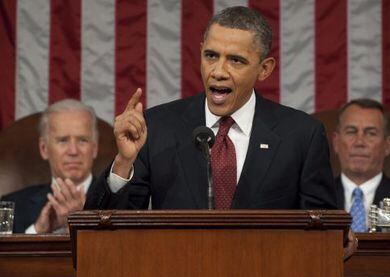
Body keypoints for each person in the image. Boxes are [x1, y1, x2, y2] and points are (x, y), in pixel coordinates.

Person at [85, 6, 337, 211]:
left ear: (264, 69)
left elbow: (320, 232)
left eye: (236, 60)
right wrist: (123, 162)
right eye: (211, 56)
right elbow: (110, 228)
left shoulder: (302, 135)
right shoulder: (157, 127)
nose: (218, 71)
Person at [2, 99, 98, 233]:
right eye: (63, 141)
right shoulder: (12, 206)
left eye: (82, 140)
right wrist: (37, 231)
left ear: (94, 148)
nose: (73, 151)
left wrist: (82, 223)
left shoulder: (121, 202)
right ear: (44, 149)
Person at [333, 98, 390, 232]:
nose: (359, 142)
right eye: (351, 131)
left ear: (387, 145)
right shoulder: (314, 198)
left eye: (371, 133)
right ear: (336, 142)